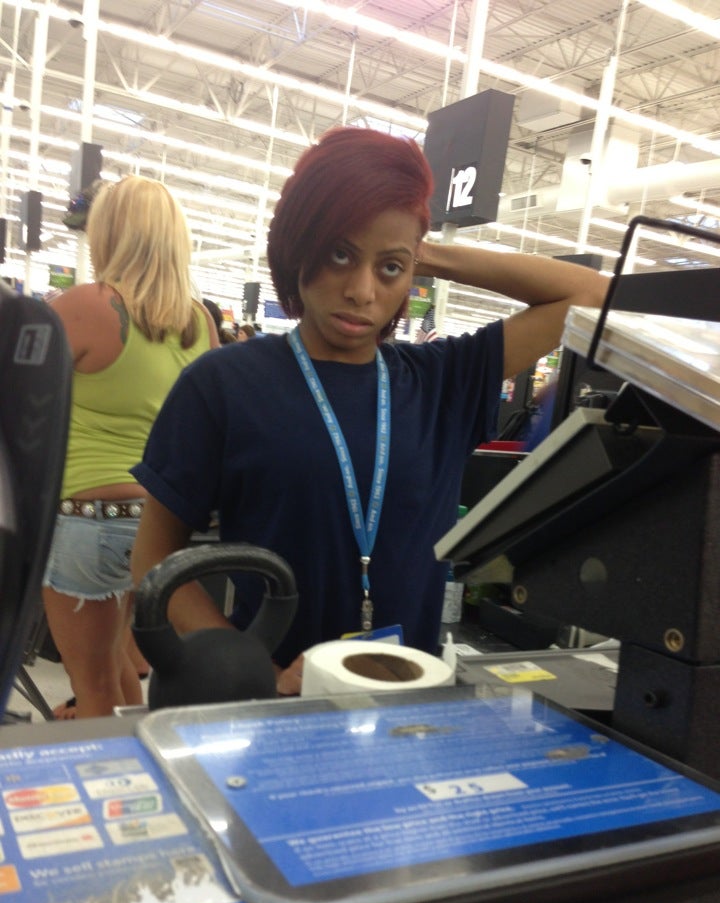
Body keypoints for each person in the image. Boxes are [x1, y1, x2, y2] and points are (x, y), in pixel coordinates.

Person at [130, 127, 608, 697]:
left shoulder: (442, 381)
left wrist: (417, 247)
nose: (362, 290)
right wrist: (252, 667)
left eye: (389, 269)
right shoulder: (222, 384)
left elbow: (591, 295)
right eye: (340, 254)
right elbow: (154, 557)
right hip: (274, 700)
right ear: (300, 244)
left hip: (410, 697)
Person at [42, 175, 219, 718]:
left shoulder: (84, 305)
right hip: (157, 527)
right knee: (119, 665)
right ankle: (135, 759)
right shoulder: (199, 322)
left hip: (86, 519)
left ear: (109, 233)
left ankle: (109, 771)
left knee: (91, 684)